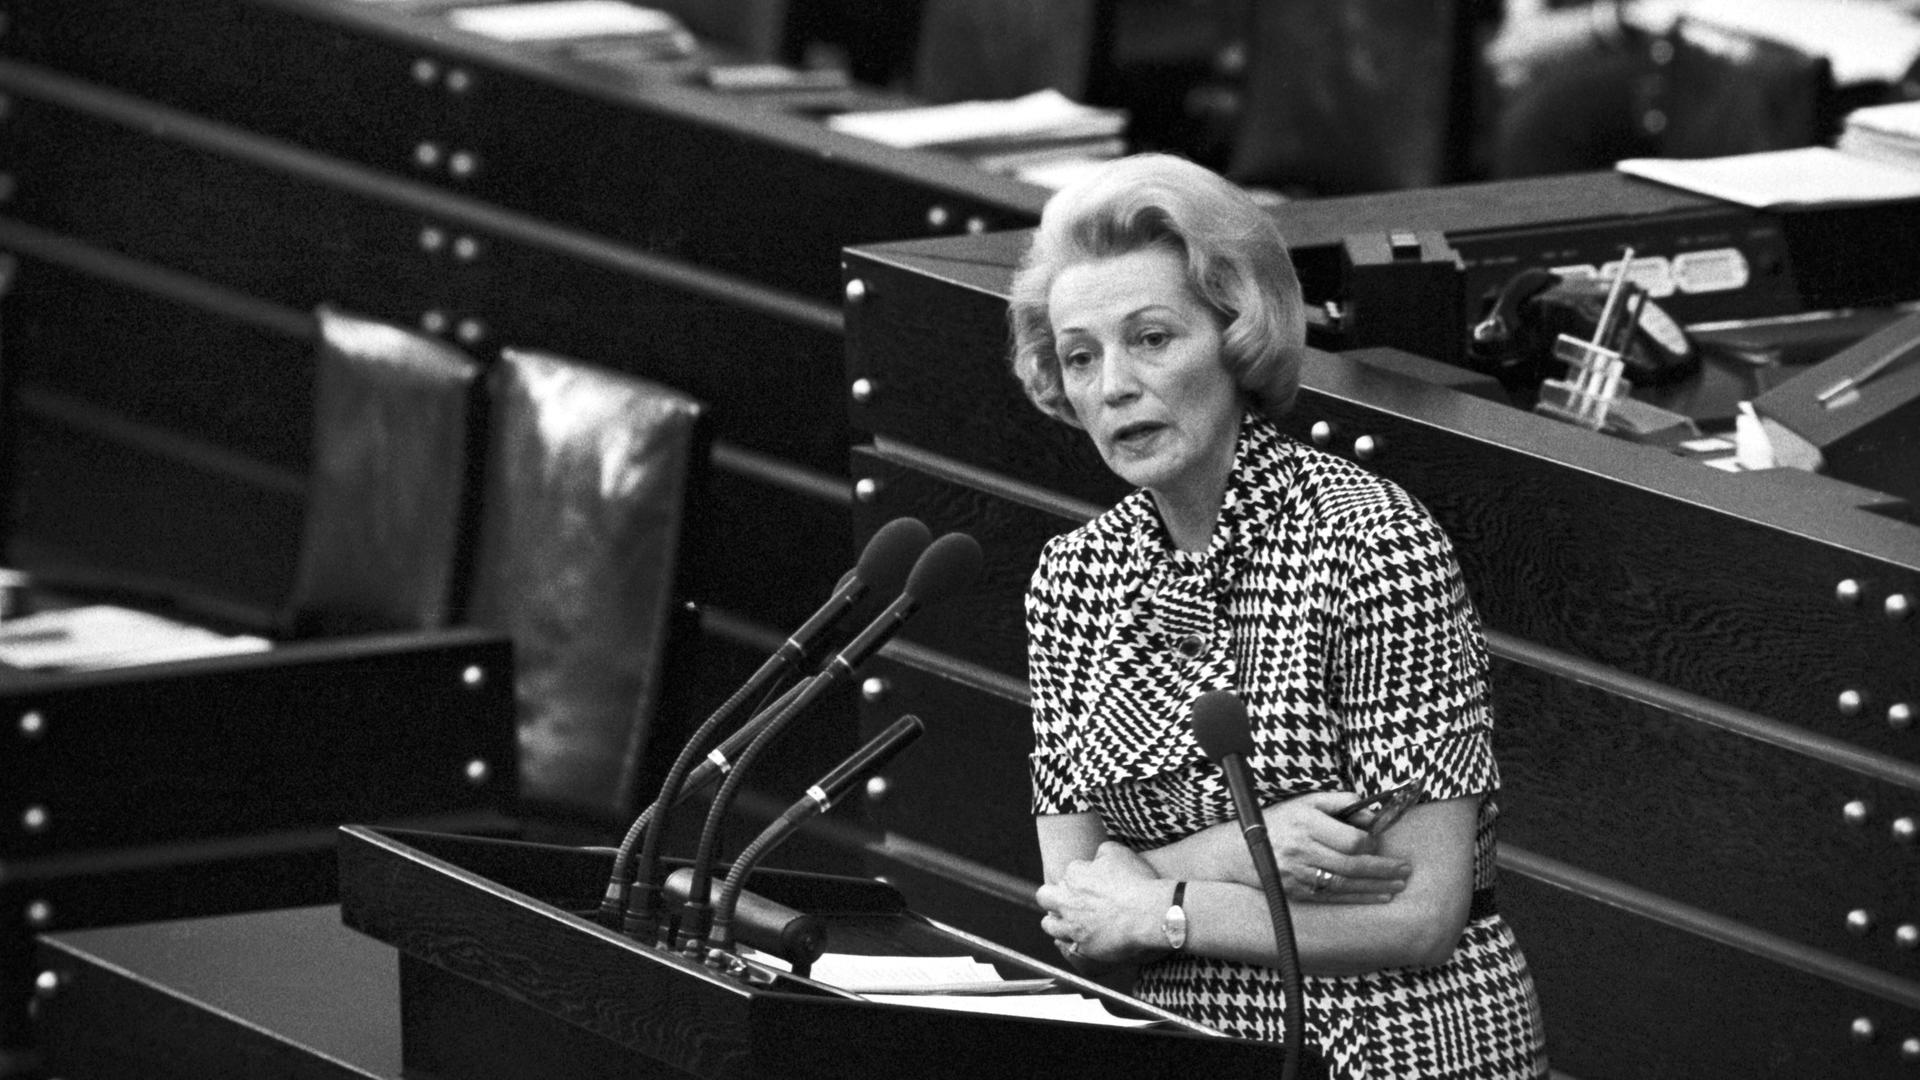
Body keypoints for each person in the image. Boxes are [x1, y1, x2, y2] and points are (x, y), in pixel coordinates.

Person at [1010, 152, 1548, 1079]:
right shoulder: (1072, 578)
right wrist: (1239, 850)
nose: (1113, 386)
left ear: (1238, 334)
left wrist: (1163, 903)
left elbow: (1420, 916)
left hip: (1396, 1043)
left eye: (1151, 338)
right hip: (1182, 1043)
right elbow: (1076, 903)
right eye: (1080, 356)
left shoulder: (1368, 542)